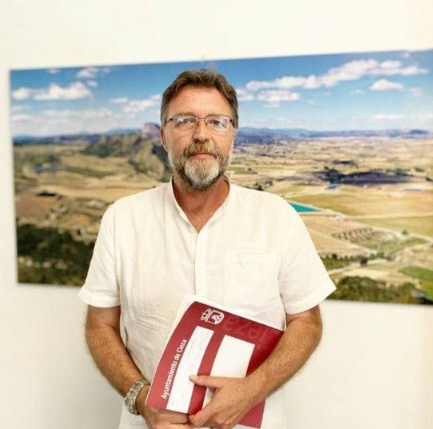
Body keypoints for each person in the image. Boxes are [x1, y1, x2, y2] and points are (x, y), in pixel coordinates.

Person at [80, 69, 335, 429]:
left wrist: (250, 391)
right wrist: (141, 397)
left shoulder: (277, 217)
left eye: (216, 121)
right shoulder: (122, 220)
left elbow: (306, 322)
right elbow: (100, 326)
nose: (201, 134)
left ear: (233, 135)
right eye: (184, 121)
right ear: (163, 136)